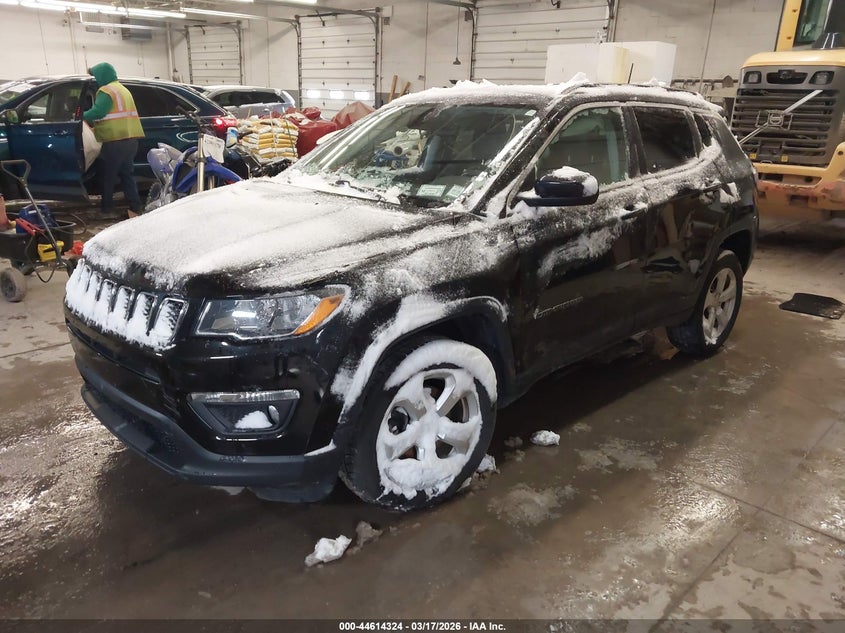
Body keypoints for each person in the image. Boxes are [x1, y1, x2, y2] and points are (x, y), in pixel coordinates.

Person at [83, 62, 145, 220]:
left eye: (95, 76)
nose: (95, 80)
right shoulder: (122, 89)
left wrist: (81, 117)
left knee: (108, 176)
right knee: (127, 175)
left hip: (115, 140)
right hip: (130, 138)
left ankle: (107, 209)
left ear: (102, 75)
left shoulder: (106, 91)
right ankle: (136, 206)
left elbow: (99, 111)